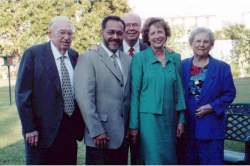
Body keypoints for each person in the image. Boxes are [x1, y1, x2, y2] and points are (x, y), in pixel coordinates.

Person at [15, 16, 84, 165]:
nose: (66, 37)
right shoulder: (33, 54)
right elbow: (22, 95)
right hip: (42, 132)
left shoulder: (74, 55)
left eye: (70, 33)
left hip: (70, 131)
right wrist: (29, 128)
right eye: (62, 32)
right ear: (50, 34)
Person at [74, 15, 130, 165]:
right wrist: (96, 130)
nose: (115, 36)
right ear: (102, 32)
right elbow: (84, 98)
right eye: (110, 32)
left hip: (122, 137)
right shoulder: (88, 58)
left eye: (119, 33)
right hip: (100, 137)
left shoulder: (128, 60)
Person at [129, 17, 186, 165]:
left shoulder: (175, 58)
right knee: (153, 159)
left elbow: (180, 91)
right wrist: (134, 125)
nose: (157, 36)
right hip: (148, 120)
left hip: (171, 118)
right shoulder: (139, 59)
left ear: (166, 34)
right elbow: (135, 94)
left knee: (170, 158)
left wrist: (181, 119)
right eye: (152, 33)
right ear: (147, 37)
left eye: (160, 32)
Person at [182, 27, 236, 164]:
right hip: (186, 128)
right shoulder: (182, 65)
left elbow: (230, 93)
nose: (201, 44)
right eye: (198, 41)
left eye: (206, 41)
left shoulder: (222, 67)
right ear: (191, 43)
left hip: (211, 127)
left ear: (211, 45)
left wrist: (212, 106)